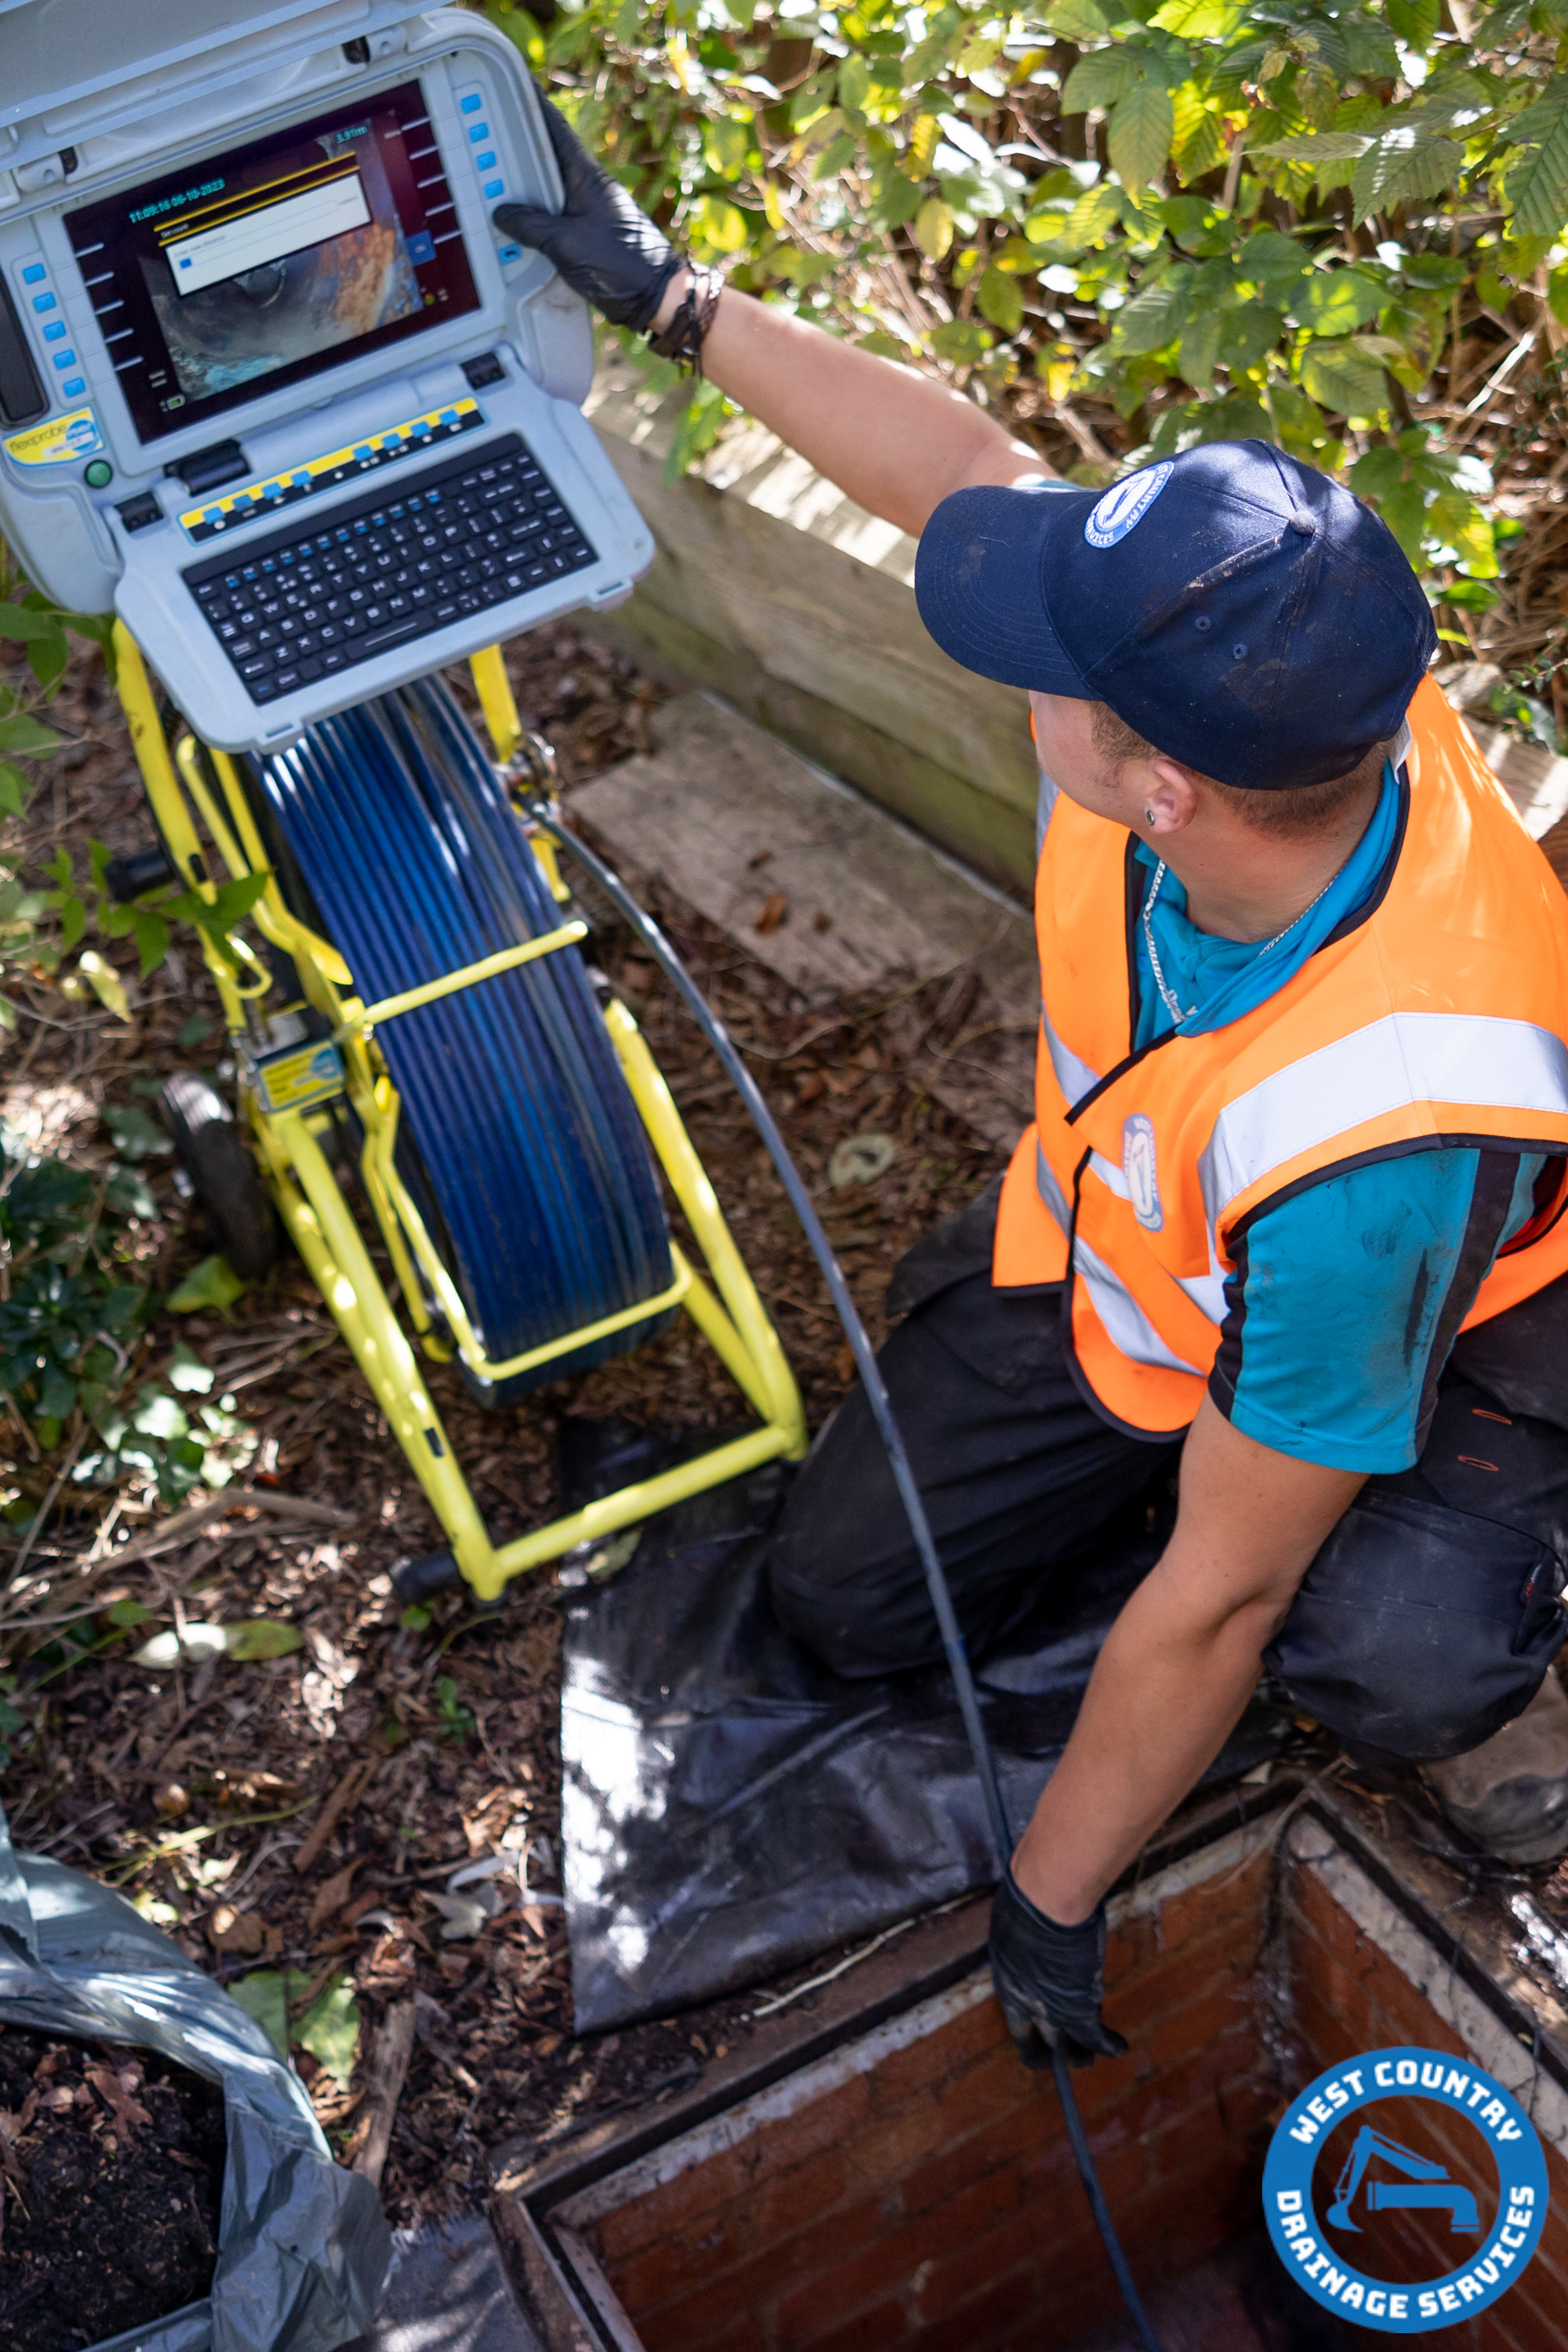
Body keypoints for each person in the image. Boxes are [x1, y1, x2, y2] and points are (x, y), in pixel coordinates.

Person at [495, 108, 1568, 2071]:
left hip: (1446, 1314)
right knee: (836, 1606)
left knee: (1353, 1636)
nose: (1018, 672)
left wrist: (1051, 1897)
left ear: (1160, 781)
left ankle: (1468, 1606)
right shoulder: (1285, 675)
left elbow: (1218, 1604)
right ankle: (1171, 1446)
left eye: (1043, 669)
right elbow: (975, 476)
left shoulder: (1374, 1151)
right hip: (1144, 1261)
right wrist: (672, 296)